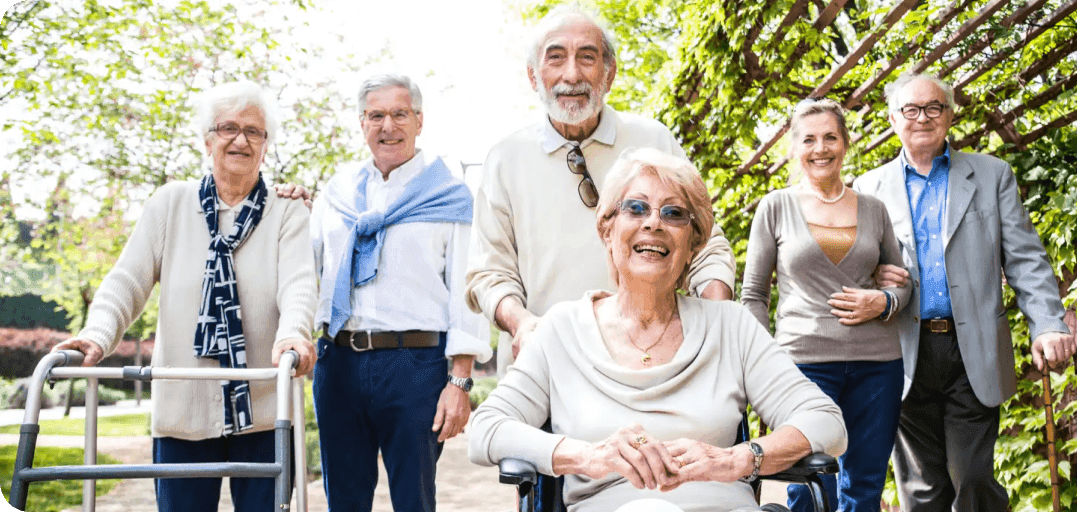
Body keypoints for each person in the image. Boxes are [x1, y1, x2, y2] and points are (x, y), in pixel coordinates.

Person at [468, 148, 847, 512]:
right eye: (635, 208)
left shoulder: (730, 326)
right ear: (607, 228)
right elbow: (486, 428)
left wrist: (739, 459)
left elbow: (825, 420)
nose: (653, 222)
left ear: (692, 243)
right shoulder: (562, 331)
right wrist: (588, 456)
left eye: (674, 213)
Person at [50, 80, 317, 512]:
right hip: (182, 412)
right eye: (228, 127)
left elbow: (299, 285)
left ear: (266, 145)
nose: (240, 139)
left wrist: (294, 335)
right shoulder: (170, 204)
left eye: (254, 131)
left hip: (266, 410)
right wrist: (96, 334)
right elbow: (127, 281)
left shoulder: (286, 211)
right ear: (207, 138)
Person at [465, 7, 737, 372]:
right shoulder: (504, 158)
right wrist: (522, 323)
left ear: (609, 74)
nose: (572, 74)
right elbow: (488, 273)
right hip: (545, 364)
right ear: (533, 76)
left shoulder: (653, 140)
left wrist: (718, 318)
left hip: (648, 360)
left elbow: (705, 244)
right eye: (555, 58)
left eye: (587, 57)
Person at [851, 73, 1077, 512]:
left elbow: (1025, 258)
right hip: (900, 350)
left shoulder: (992, 175)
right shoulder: (867, 189)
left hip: (970, 346)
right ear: (893, 118)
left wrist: (1048, 322)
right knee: (922, 490)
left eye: (934, 107)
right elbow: (858, 272)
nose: (923, 118)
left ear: (950, 116)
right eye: (911, 109)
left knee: (972, 478)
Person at [309, 73, 492, 512]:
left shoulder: (450, 197)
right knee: (344, 502)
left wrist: (460, 382)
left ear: (419, 120)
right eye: (376, 115)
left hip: (414, 367)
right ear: (361, 123)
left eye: (399, 114)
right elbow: (309, 270)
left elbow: (467, 294)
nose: (387, 126)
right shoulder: (335, 196)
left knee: (414, 501)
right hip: (339, 362)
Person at [739, 98, 911, 512]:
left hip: (878, 366)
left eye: (830, 137)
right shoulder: (775, 207)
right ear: (793, 147)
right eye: (809, 139)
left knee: (865, 485)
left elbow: (902, 284)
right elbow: (753, 296)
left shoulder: (873, 209)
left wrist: (884, 301)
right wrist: (765, 364)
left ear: (845, 143)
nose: (821, 148)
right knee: (809, 483)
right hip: (803, 365)